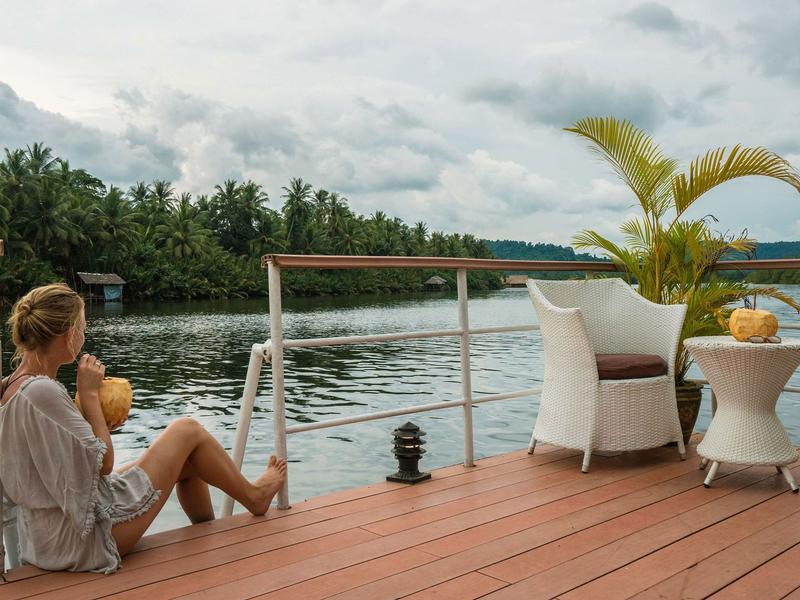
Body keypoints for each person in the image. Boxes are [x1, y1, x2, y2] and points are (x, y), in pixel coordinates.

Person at [0, 283, 287, 573]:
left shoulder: (10, 387)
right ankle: (254, 497)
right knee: (186, 429)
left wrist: (96, 423)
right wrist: (88, 395)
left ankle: (210, 532)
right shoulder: (42, 392)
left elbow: (61, 460)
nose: (84, 336)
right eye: (83, 328)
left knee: (187, 461)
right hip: (83, 541)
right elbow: (104, 465)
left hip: (46, 538)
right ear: (68, 334)